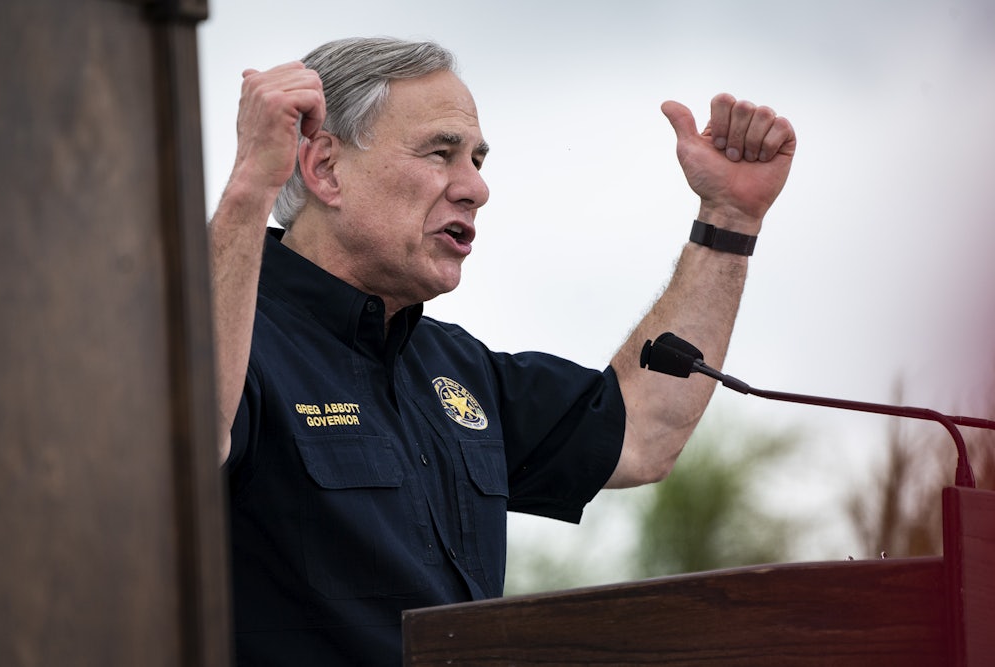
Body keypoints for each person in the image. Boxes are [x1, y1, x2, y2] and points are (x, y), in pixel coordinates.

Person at [209, 37, 795, 666]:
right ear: (325, 168)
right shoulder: (233, 341)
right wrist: (251, 186)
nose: (476, 188)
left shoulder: (459, 369)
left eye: (477, 160)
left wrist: (729, 219)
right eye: (440, 153)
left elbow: (642, 434)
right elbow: (182, 440)